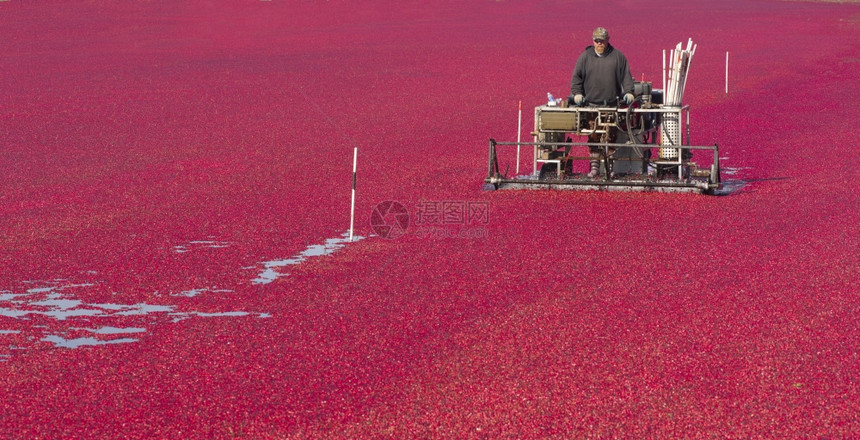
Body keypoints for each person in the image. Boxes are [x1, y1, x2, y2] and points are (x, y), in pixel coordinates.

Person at [570, 27, 635, 178]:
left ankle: (609, 166)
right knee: (593, 135)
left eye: (602, 41)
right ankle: (594, 166)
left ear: (607, 41)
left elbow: (626, 76)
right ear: (593, 41)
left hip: (611, 105)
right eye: (596, 41)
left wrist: (630, 92)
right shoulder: (585, 57)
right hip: (591, 105)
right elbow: (576, 78)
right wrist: (577, 94)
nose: (599, 43)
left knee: (611, 135)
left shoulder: (618, 57)